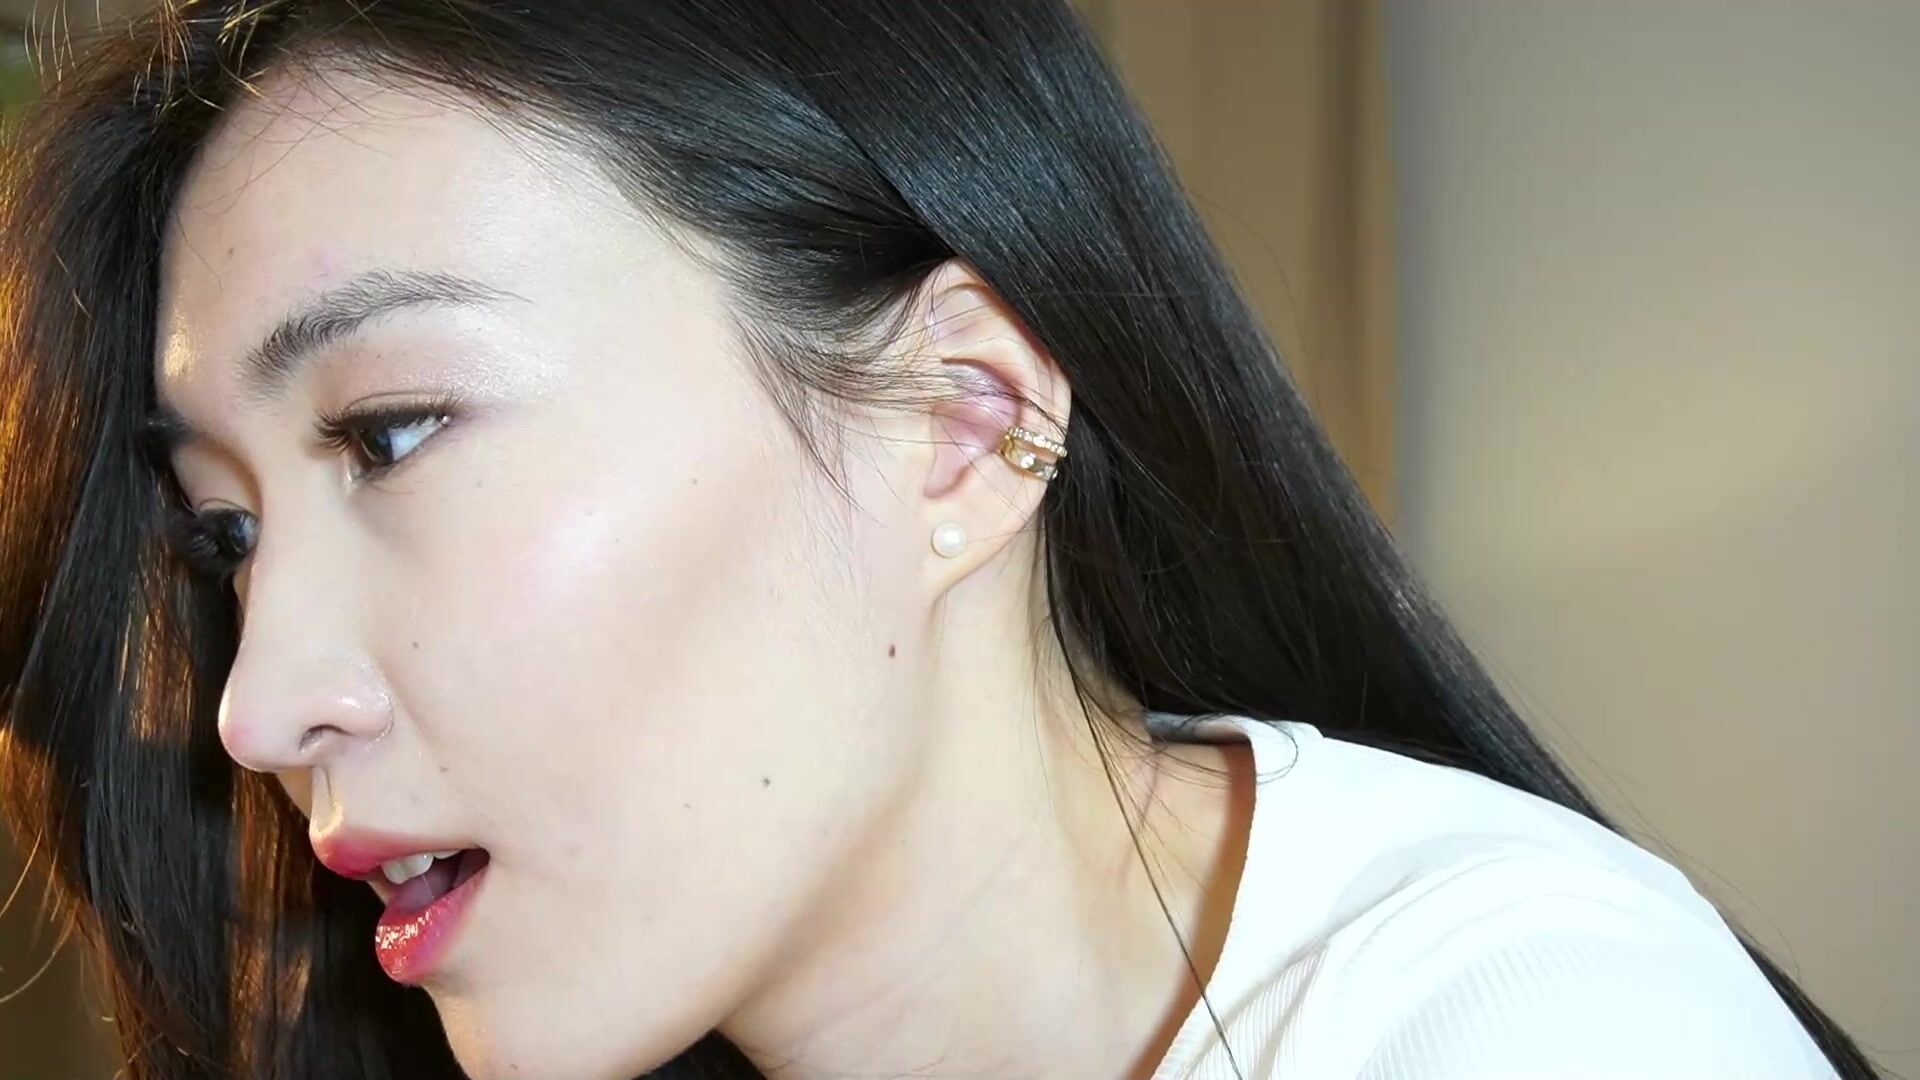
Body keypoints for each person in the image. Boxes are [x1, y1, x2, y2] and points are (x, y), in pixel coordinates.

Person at [0, 3, 1881, 1079]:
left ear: (960, 427)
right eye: (227, 534)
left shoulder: (1529, 1032)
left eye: (393, 434)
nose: (257, 706)